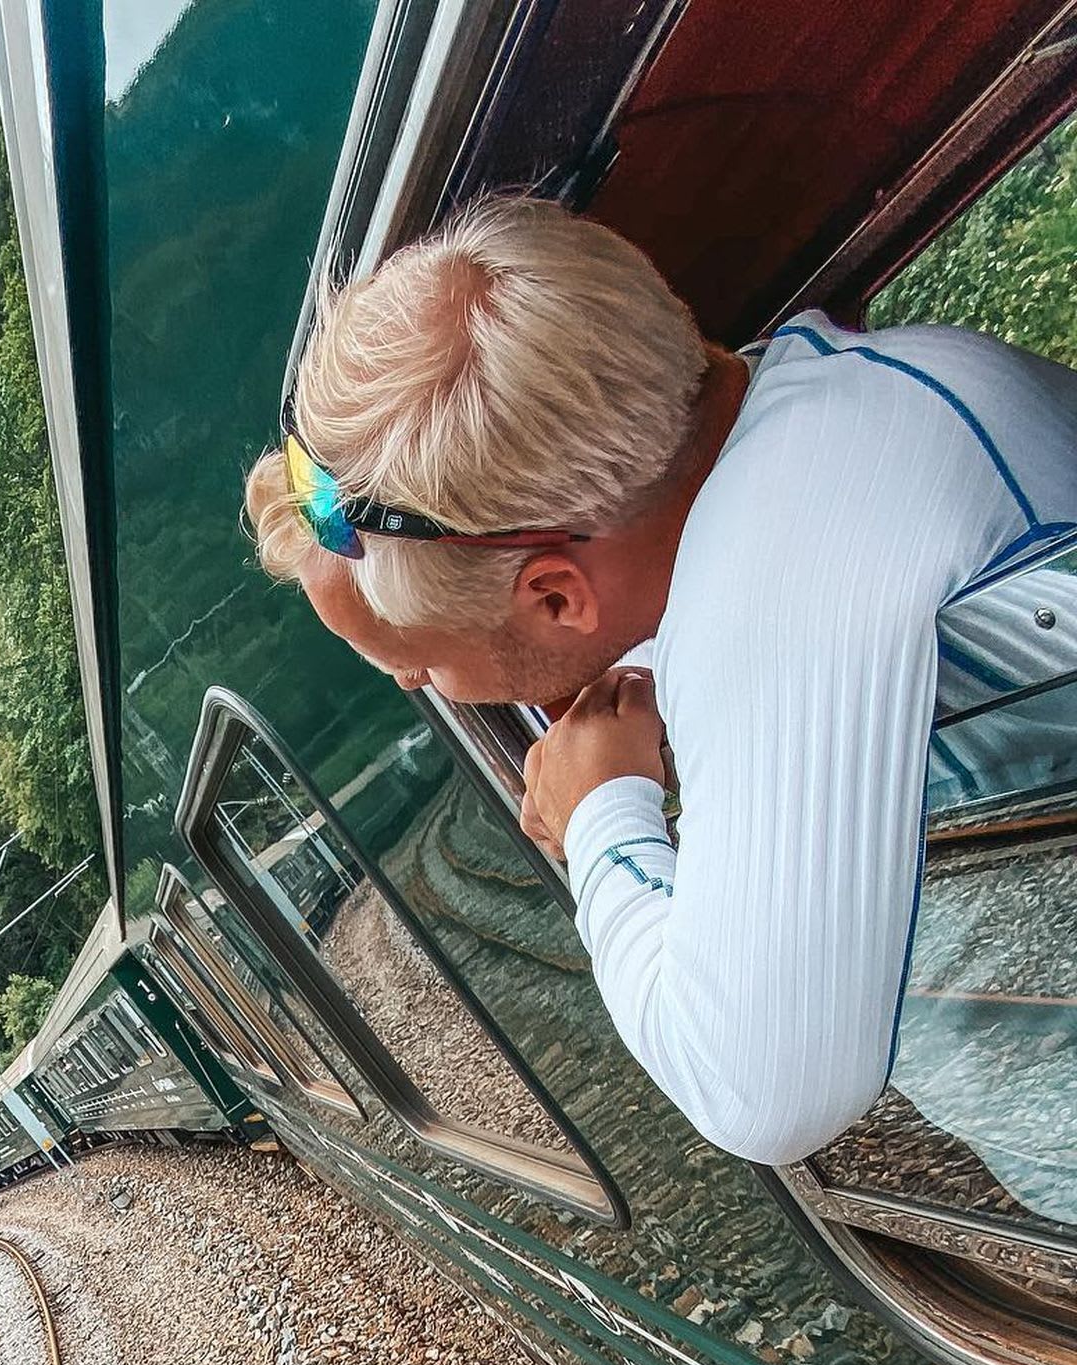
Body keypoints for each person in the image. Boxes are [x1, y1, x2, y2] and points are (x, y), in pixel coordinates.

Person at [245, 196, 1077, 1170]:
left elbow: (757, 1092)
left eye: (419, 663)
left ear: (555, 597)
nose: (416, 687)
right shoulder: (850, 390)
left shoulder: (766, 582)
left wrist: (600, 816)